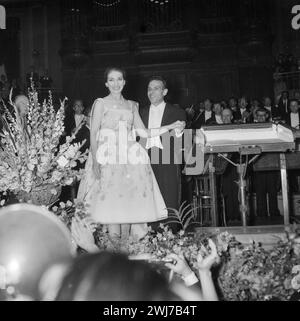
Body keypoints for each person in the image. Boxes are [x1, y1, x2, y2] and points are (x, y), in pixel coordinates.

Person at [77, 68, 185, 241]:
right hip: (107, 157)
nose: (115, 83)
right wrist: (96, 162)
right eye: (111, 80)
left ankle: (126, 248)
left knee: (126, 203)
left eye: (119, 79)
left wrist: (170, 126)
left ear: (124, 82)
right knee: (110, 204)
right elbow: (93, 134)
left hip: (129, 157)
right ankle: (114, 248)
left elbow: (144, 133)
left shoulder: (132, 105)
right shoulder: (100, 103)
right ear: (106, 84)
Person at [139, 76, 187, 232]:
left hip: (167, 160)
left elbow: (181, 141)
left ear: (165, 91)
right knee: (147, 198)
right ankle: (149, 235)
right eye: (149, 88)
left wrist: (180, 132)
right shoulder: (140, 113)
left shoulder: (177, 112)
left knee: (169, 197)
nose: (151, 92)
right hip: (145, 160)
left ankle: (169, 235)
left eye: (156, 88)